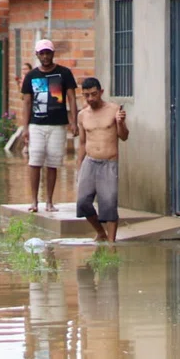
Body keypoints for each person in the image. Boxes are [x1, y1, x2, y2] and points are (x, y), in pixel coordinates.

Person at [20, 39, 78, 213]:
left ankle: (50, 201)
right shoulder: (31, 76)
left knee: (53, 162)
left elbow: (72, 98)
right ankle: (34, 201)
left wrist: (74, 122)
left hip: (58, 125)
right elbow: (27, 102)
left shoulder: (64, 73)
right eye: (42, 53)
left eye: (48, 53)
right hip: (36, 125)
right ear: (37, 55)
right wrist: (25, 127)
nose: (45, 56)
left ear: (53, 54)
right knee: (35, 161)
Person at [76, 77, 129, 242]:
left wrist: (120, 122)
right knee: (83, 202)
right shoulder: (82, 115)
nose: (90, 99)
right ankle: (101, 233)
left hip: (108, 162)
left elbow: (124, 136)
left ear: (101, 92)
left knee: (109, 203)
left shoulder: (114, 109)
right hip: (90, 161)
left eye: (93, 94)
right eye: (87, 95)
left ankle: (112, 244)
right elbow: (83, 143)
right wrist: (79, 167)